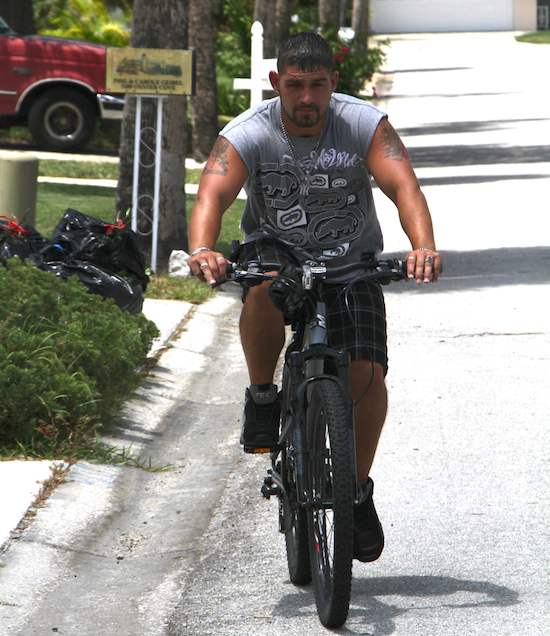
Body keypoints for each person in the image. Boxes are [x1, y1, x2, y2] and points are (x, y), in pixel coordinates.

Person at [187, 32, 442, 563]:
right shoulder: (251, 131)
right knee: (261, 288)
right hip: (278, 256)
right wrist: (204, 250)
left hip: (352, 264)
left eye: (318, 85)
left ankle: (355, 489)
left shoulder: (361, 124)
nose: (307, 97)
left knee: (367, 372)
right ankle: (262, 396)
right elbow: (213, 190)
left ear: (334, 84)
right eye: (296, 85)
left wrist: (423, 247)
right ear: (277, 82)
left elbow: (403, 186)